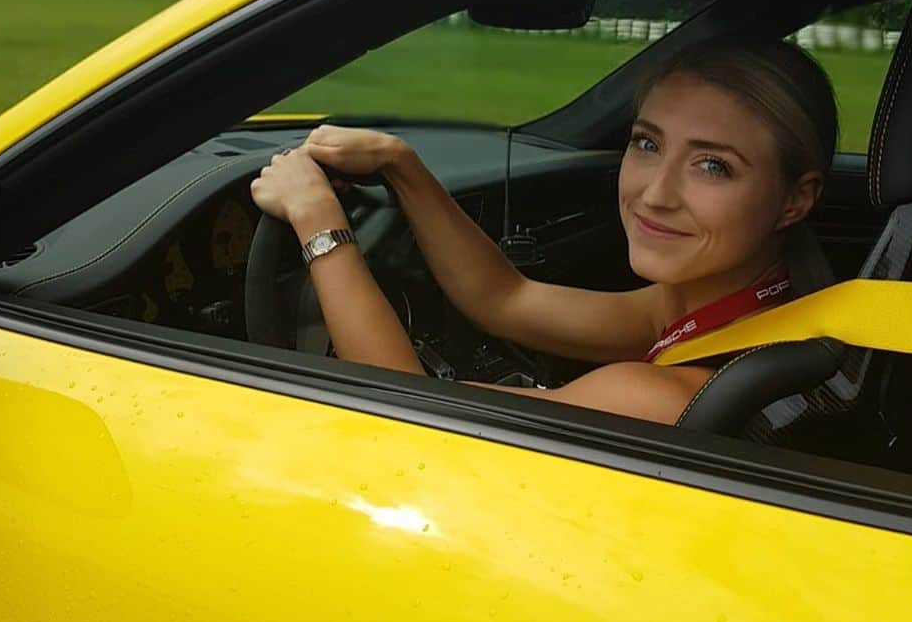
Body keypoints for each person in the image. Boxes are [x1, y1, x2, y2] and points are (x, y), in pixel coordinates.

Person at [250, 37, 839, 426]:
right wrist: (400, 164)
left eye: (713, 165)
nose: (654, 194)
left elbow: (405, 411)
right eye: (647, 143)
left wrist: (317, 219)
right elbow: (506, 300)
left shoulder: (658, 398)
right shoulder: (754, 308)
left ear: (795, 199)